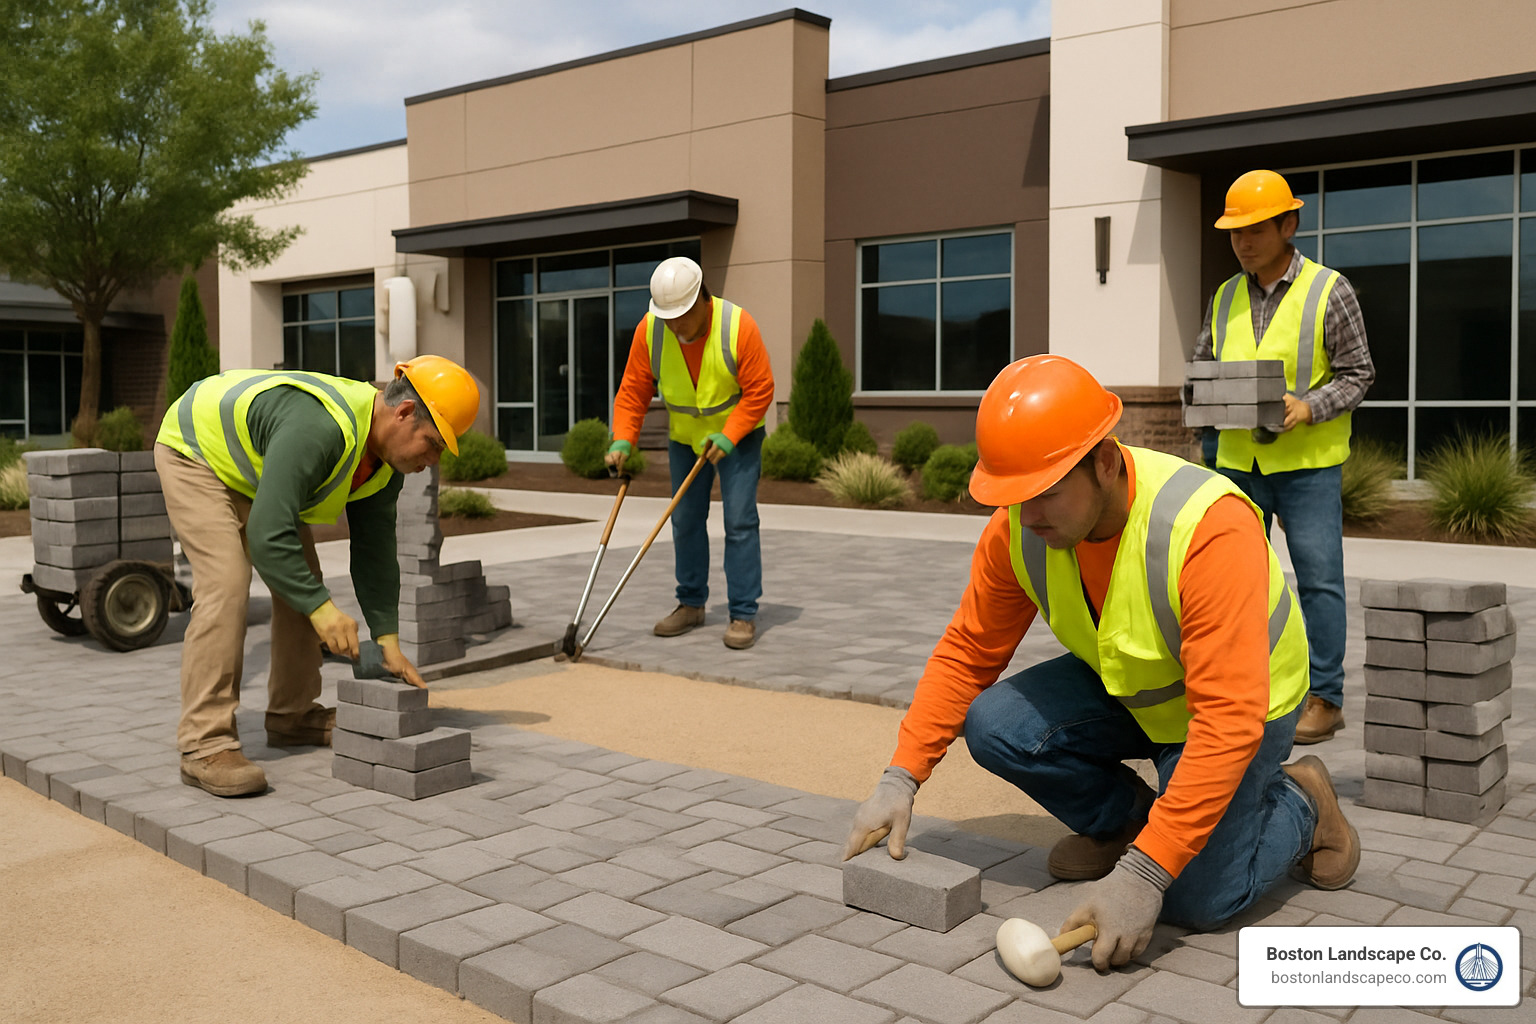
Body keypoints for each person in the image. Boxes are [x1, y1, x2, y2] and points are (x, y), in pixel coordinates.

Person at [842, 354, 1360, 971]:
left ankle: (1304, 802)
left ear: (1106, 463)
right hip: (1138, 687)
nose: (1028, 515)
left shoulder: (1206, 527)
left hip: (1243, 710)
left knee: (1195, 900)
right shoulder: (1019, 528)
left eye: (1046, 493)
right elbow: (968, 652)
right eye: (1015, 497)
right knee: (997, 724)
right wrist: (900, 779)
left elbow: (1227, 720)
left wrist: (1147, 874)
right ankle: (1126, 827)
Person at [154, 356, 480, 796]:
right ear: (404, 413)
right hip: (196, 451)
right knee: (227, 585)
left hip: (252, 465)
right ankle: (204, 744)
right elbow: (269, 537)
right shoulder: (320, 428)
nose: (433, 460)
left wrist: (387, 640)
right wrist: (322, 611)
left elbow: (375, 550)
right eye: (433, 444)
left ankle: (292, 716)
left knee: (302, 581)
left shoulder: (385, 464)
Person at [1195, 169, 1376, 744]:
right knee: (1236, 584)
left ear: (1288, 226)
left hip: (1307, 468)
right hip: (1236, 465)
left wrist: (1310, 407)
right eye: (1235, 232)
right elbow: (1204, 368)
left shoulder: (1329, 290)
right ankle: (1248, 691)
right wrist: (1201, 416)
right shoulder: (1224, 296)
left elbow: (1358, 373)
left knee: (1319, 583)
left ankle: (1325, 698)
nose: (1243, 242)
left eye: (1254, 229)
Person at [606, 256, 775, 650]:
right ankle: (691, 604)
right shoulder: (651, 330)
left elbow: (761, 389)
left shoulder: (738, 326)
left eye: (681, 315)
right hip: (685, 439)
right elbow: (633, 389)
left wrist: (730, 435)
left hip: (737, 438)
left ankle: (743, 613)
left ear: (702, 297)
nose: (675, 325)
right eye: (668, 317)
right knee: (684, 521)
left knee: (739, 522)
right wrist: (622, 439)